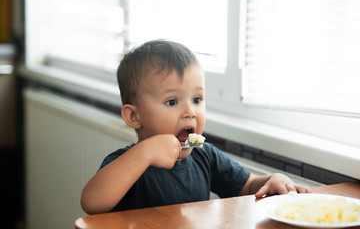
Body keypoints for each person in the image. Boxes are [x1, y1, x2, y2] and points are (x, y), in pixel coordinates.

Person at [81, 40, 309, 215]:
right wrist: (144, 154)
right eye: (172, 102)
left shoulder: (205, 157)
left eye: (197, 99)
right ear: (134, 116)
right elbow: (92, 203)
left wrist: (271, 180)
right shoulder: (128, 164)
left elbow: (248, 186)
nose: (190, 111)